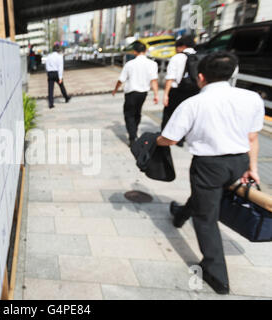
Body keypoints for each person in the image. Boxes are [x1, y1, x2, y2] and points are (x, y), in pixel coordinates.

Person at [156, 52, 265, 294]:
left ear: (201, 77)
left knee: (206, 218)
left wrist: (155, 141)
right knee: (204, 197)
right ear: (232, 73)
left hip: (209, 166)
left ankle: (217, 274)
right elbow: (253, 137)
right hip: (239, 161)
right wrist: (253, 168)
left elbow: (170, 139)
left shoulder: (193, 103)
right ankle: (180, 214)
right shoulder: (252, 98)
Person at [112, 41, 159, 147]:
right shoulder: (152, 64)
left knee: (129, 114)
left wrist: (115, 89)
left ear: (134, 52)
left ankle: (133, 137)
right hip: (143, 93)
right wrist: (156, 95)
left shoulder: (130, 64)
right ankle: (134, 131)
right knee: (137, 112)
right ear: (145, 51)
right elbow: (154, 80)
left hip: (131, 93)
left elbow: (121, 79)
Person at [162, 35, 200, 146]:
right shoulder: (198, 56)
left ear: (182, 46)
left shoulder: (177, 57)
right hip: (194, 90)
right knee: (188, 115)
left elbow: (170, 78)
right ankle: (182, 139)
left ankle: (168, 138)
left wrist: (166, 94)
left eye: (176, 47)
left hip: (177, 90)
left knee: (170, 114)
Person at [46, 44, 71, 109]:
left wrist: (47, 74)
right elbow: (60, 68)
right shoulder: (59, 56)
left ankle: (51, 104)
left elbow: (46, 66)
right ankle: (66, 98)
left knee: (50, 89)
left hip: (50, 73)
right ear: (58, 50)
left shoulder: (49, 56)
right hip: (56, 73)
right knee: (61, 86)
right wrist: (60, 77)